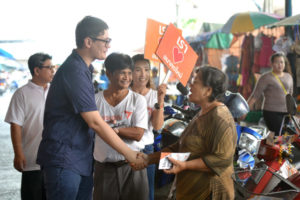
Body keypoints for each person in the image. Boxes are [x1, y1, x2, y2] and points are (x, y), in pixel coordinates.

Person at [36, 16, 143, 200]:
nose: (108, 45)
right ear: (88, 41)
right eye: (105, 40)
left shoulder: (84, 69)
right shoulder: (74, 70)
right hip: (65, 158)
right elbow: (94, 121)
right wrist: (129, 153)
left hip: (80, 159)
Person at [138, 66, 237, 200]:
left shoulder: (220, 118)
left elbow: (222, 160)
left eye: (195, 82)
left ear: (208, 90)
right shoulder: (201, 113)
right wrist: (149, 159)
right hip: (190, 189)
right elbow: (180, 147)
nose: (189, 84)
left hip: (210, 192)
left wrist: (185, 165)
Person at [93, 52, 149, 200]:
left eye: (130, 73)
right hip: (105, 168)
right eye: (122, 73)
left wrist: (111, 130)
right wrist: (121, 130)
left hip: (132, 167)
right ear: (109, 74)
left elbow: (138, 134)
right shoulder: (95, 101)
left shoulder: (138, 100)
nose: (127, 77)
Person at [5, 53, 54, 200]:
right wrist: (18, 154)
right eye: (49, 67)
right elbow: (15, 125)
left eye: (53, 67)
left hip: (55, 160)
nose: (53, 70)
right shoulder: (22, 94)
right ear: (37, 70)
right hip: (32, 161)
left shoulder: (56, 92)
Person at [131, 54, 167, 200]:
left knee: (146, 193)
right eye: (138, 70)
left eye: (146, 70)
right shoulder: (124, 94)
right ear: (130, 72)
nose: (143, 74)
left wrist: (161, 99)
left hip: (146, 148)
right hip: (125, 148)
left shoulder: (154, 95)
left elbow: (157, 125)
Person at [247, 52, 293, 136]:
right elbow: (255, 95)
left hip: (286, 112)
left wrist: (293, 111)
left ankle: (276, 149)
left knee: (284, 137)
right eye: (277, 62)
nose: (280, 65)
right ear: (271, 64)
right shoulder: (266, 77)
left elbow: (290, 95)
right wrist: (245, 110)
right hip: (271, 112)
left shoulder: (288, 76)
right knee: (277, 135)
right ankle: (272, 148)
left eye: (282, 62)